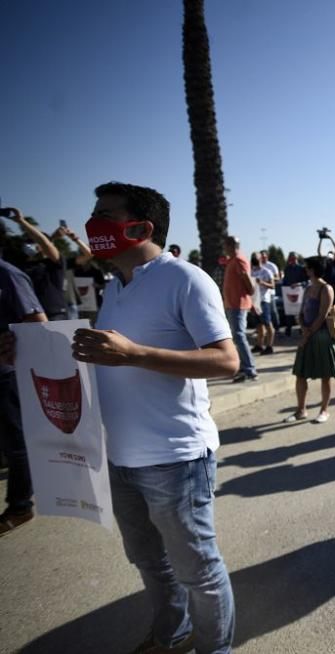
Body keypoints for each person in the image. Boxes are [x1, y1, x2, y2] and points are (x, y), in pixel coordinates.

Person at [51, 181, 235, 652]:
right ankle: (169, 636)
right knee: (149, 562)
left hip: (175, 460)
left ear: (140, 225)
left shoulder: (185, 279)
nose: (95, 224)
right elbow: (106, 360)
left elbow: (226, 360)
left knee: (199, 570)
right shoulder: (116, 287)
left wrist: (135, 354)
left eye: (105, 214)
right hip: (122, 459)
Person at [0, 251, 47, 537]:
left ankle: (20, 506)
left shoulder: (8, 274)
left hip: (5, 376)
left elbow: (37, 323)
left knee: (16, 442)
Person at [285, 257, 335, 424]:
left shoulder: (326, 288)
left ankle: (324, 410)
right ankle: (301, 410)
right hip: (307, 336)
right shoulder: (309, 287)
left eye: (307, 267)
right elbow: (302, 311)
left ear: (313, 269)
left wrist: (307, 335)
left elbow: (322, 315)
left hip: (323, 337)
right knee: (300, 375)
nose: (305, 269)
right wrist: (302, 325)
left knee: (326, 375)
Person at [1, 208, 68, 320]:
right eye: (28, 241)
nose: (30, 244)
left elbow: (45, 243)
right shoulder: (19, 264)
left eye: (33, 241)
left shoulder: (53, 263)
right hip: (28, 315)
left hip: (54, 314)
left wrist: (22, 221)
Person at [222, 235, 258, 382]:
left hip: (239, 304)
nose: (224, 247)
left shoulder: (239, 260)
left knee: (239, 335)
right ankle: (244, 367)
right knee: (236, 336)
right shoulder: (232, 261)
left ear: (231, 245)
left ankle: (250, 369)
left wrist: (251, 295)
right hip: (232, 304)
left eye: (226, 245)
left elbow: (248, 283)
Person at [250, 253, 276, 355]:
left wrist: (262, 283)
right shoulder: (251, 272)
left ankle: (269, 346)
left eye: (255, 258)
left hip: (264, 300)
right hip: (255, 301)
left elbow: (273, 285)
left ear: (260, 259)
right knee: (258, 325)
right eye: (253, 258)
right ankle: (259, 345)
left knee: (267, 323)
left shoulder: (267, 271)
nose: (254, 260)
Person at [281, 252, 309, 337]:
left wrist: (298, 284)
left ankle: (302, 329)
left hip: (300, 294)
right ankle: (288, 329)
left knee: (301, 312)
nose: (293, 260)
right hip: (289, 294)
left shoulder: (301, 269)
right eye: (291, 258)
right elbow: (284, 281)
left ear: (297, 259)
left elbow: (307, 282)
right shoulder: (287, 269)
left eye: (294, 258)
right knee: (289, 312)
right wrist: (284, 288)